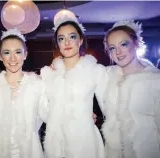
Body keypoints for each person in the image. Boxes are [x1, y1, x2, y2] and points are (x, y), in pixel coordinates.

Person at [40, 15, 107, 158]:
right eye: (61, 38)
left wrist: (88, 114)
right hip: (55, 145)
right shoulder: (49, 73)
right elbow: (44, 111)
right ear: (57, 43)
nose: (67, 42)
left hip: (84, 142)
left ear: (80, 40)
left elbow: (109, 107)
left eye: (72, 36)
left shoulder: (95, 70)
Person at [0, 28, 48, 158]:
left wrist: (81, 113)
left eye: (18, 52)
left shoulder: (38, 85)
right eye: (6, 52)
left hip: (30, 152)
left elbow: (51, 115)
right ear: (0, 56)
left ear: (25, 54)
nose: (12, 58)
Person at [102, 20, 160, 158]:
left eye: (123, 44)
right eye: (112, 48)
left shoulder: (154, 80)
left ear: (137, 43)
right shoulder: (108, 75)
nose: (118, 52)